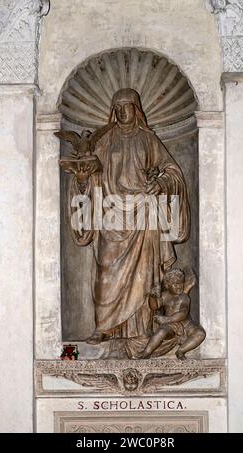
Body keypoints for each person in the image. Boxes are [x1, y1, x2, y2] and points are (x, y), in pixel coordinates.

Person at [69, 88, 190, 348]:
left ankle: (141, 328)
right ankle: (104, 327)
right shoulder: (104, 140)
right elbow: (91, 175)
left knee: (144, 277)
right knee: (105, 274)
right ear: (113, 111)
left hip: (144, 215)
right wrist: (82, 181)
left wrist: (160, 184)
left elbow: (173, 172)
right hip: (111, 216)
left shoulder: (148, 139)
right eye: (119, 107)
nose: (123, 111)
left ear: (137, 110)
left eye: (128, 106)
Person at [137, 268, 206, 359]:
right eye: (175, 284)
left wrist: (166, 319)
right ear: (167, 285)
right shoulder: (165, 296)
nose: (179, 287)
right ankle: (146, 352)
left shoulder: (184, 297)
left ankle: (181, 350)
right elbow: (154, 306)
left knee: (200, 333)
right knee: (161, 332)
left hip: (186, 324)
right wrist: (152, 296)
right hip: (170, 326)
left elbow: (183, 313)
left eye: (181, 283)